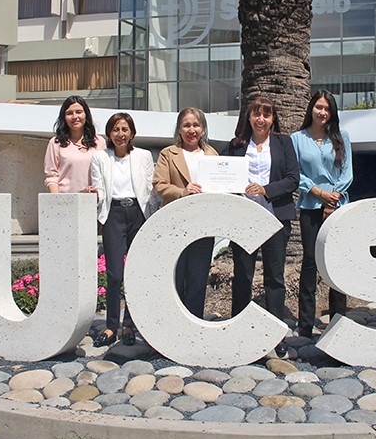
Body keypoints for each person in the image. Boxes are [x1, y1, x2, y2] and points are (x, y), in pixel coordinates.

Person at [221, 96, 299, 356]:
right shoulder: (235, 145)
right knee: (242, 275)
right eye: (256, 114)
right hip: (243, 220)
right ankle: (238, 330)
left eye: (266, 114)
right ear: (248, 117)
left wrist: (266, 189)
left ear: (273, 118)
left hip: (274, 217)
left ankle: (275, 334)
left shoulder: (283, 143)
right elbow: (220, 174)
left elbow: (293, 179)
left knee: (274, 277)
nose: (261, 119)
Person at [291, 90, 353, 339]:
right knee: (310, 263)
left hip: (338, 207)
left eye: (327, 108)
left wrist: (332, 199)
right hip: (310, 207)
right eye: (319, 107)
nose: (322, 112)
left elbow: (347, 172)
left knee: (336, 263)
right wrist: (318, 192)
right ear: (311, 109)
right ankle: (305, 324)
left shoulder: (341, 137)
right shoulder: (297, 139)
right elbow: (295, 173)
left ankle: (338, 320)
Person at [90, 113, 155, 347]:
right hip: (113, 215)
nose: (120, 134)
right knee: (115, 274)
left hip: (138, 214)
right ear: (109, 133)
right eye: (116, 129)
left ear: (132, 133)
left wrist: (152, 216)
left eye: (125, 129)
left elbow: (150, 188)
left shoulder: (144, 156)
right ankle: (111, 326)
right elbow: (99, 187)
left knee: (135, 273)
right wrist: (94, 194)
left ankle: (129, 324)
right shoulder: (100, 157)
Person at [153, 107, 219, 318]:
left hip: (204, 224)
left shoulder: (213, 154)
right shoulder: (168, 154)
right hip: (176, 222)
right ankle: (173, 321)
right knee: (176, 275)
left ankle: (194, 321)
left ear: (203, 128)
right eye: (187, 125)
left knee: (198, 277)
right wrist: (182, 191)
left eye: (196, 125)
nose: (192, 130)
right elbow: (159, 184)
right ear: (179, 129)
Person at [43, 95, 106, 194]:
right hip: (65, 200)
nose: (75, 117)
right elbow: (51, 176)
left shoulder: (99, 142)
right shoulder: (56, 143)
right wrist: (57, 199)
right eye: (69, 113)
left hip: (92, 200)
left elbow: (104, 175)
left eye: (79, 112)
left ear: (86, 114)